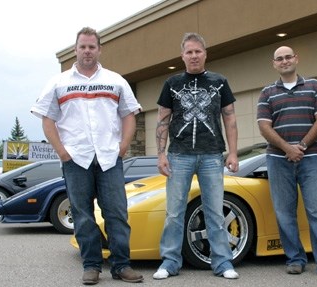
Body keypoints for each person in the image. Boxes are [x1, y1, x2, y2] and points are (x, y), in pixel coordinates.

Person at [30, 27, 144, 285]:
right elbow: (47, 119)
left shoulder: (116, 80)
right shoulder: (59, 83)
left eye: (92, 46)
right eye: (83, 46)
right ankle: (91, 265)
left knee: (116, 213)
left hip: (109, 158)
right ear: (76, 49)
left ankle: (121, 266)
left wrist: (123, 145)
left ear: (99, 49)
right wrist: (62, 151)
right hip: (76, 160)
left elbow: (129, 114)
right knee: (82, 215)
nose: (87, 51)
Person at [152, 32, 240, 280]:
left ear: (205, 53)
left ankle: (223, 263)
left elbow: (230, 118)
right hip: (178, 155)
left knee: (215, 212)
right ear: (182, 55)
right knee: (174, 213)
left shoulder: (220, 82)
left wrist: (232, 152)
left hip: (212, 155)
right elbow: (162, 120)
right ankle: (170, 262)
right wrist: (161, 155)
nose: (193, 56)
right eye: (189, 52)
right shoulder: (171, 84)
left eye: (197, 51)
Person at [256, 46, 317, 279]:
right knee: (284, 212)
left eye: (288, 57)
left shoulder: (314, 86)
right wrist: (287, 148)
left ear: (296, 58)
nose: (284, 61)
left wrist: (301, 146)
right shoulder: (267, 93)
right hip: (277, 159)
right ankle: (295, 259)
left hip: (311, 157)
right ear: (274, 64)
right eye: (279, 59)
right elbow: (264, 126)